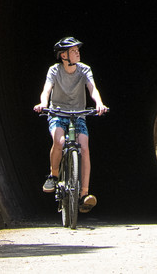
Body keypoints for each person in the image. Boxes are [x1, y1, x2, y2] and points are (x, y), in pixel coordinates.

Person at [34, 36, 108, 210]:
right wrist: (43, 104)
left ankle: (84, 194)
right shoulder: (54, 71)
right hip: (57, 113)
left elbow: (92, 88)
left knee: (84, 147)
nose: (78, 53)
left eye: (77, 50)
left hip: (78, 114)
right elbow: (46, 90)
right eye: (74, 51)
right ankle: (53, 175)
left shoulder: (84, 70)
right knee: (59, 141)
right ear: (63, 55)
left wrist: (99, 103)